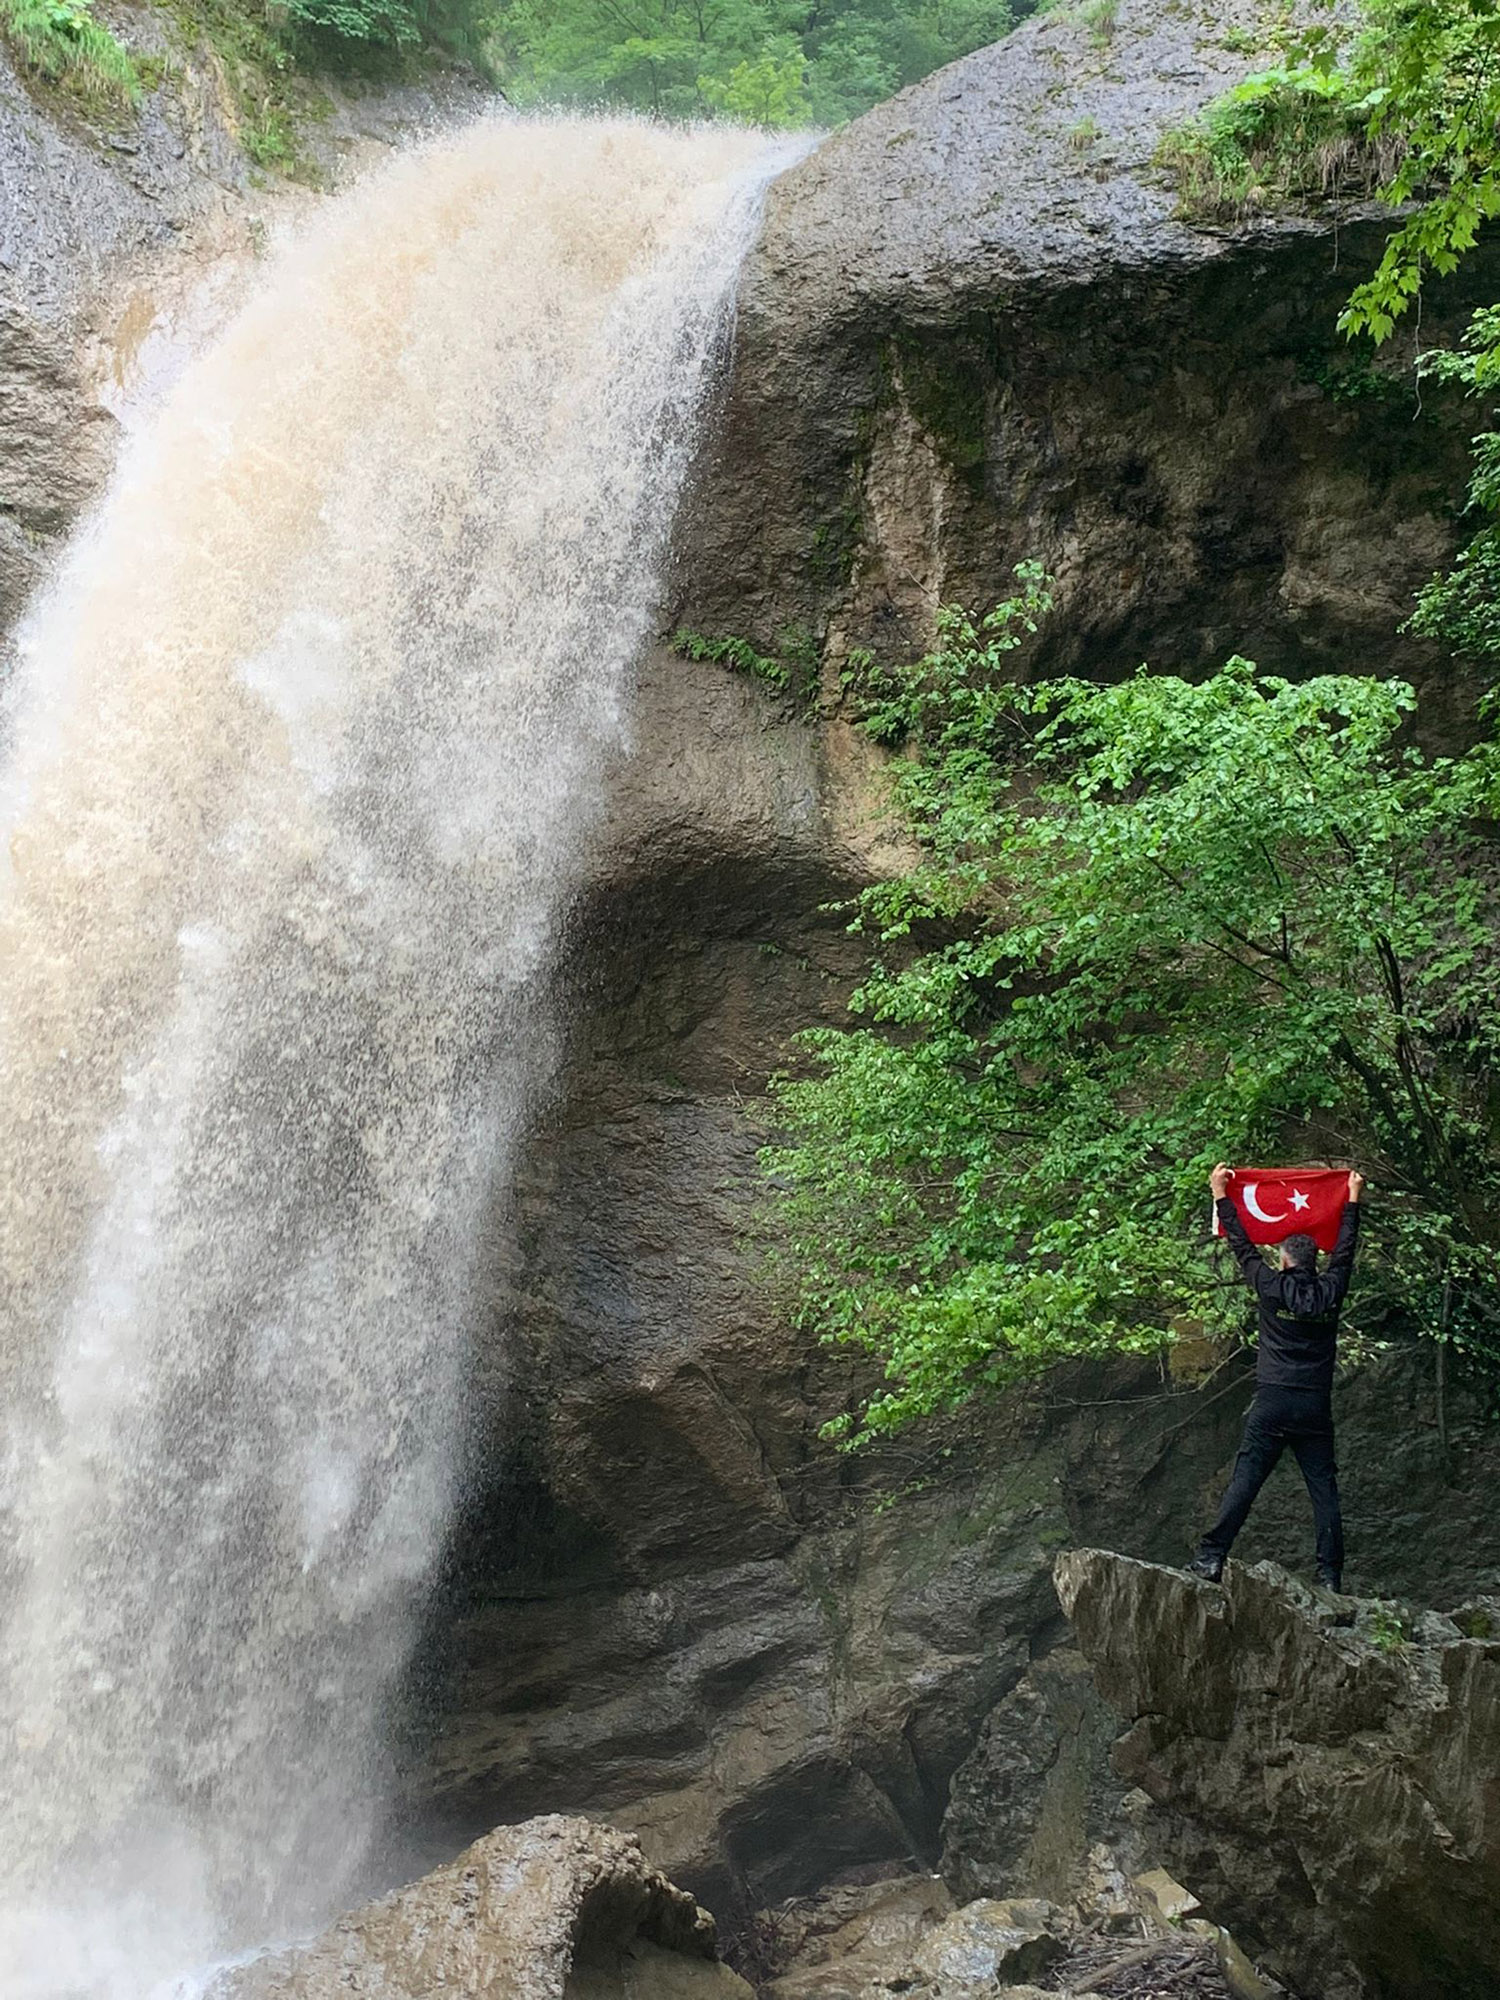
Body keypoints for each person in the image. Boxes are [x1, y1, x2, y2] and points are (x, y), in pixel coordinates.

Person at [1187, 1162, 1364, 1593]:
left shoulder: (1270, 1286)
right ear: (1314, 1261)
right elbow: (1345, 1250)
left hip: (1272, 1401)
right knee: (1323, 1489)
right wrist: (1353, 1198)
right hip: (1313, 1405)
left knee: (1246, 1479)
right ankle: (1330, 1576)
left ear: (1284, 1260)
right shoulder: (1330, 1291)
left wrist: (1220, 1195)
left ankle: (1212, 1557)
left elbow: (1244, 1248)